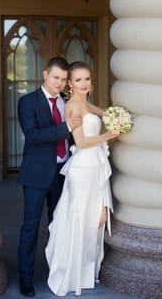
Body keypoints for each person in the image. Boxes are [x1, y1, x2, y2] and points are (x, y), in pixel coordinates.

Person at [45, 61, 120, 296]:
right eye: (78, 80)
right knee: (81, 219)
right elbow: (82, 142)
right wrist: (109, 134)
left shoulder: (85, 103)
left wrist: (116, 116)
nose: (84, 83)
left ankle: (86, 273)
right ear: (70, 83)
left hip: (95, 166)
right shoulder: (72, 107)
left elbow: (100, 112)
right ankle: (71, 275)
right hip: (83, 168)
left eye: (87, 79)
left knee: (95, 220)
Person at [17, 56, 81, 297]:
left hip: (63, 173)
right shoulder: (27, 102)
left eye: (64, 79)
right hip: (36, 175)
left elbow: (76, 136)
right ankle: (25, 277)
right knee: (31, 227)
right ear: (45, 74)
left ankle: (59, 272)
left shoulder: (69, 101)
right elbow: (32, 135)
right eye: (56, 77)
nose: (60, 83)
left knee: (61, 226)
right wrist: (66, 128)